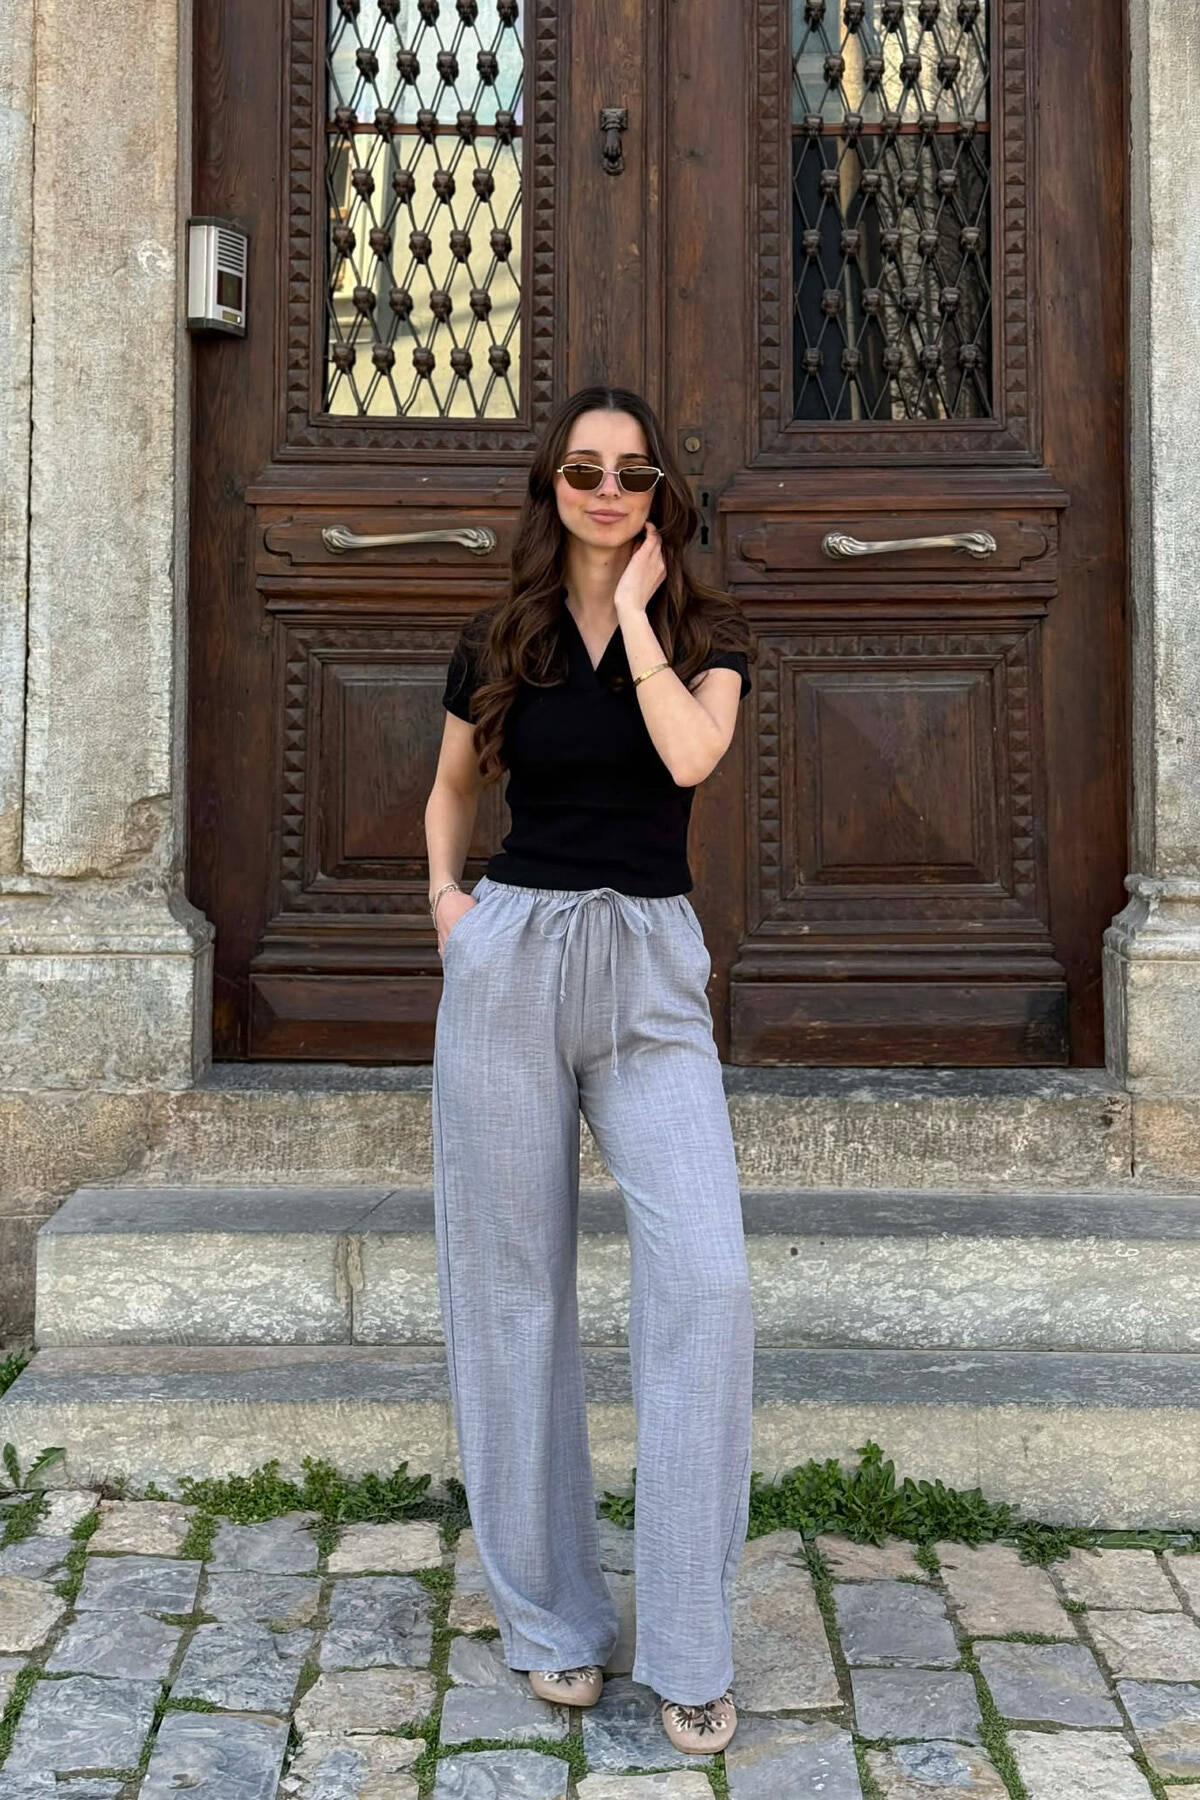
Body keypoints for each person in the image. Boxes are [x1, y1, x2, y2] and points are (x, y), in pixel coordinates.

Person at [423, 383, 756, 1755]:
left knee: (708, 1280)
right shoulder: (498, 638)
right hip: (513, 957)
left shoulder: (707, 638)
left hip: (650, 971)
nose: (606, 492)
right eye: (582, 471)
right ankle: (553, 1620)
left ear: (661, 492)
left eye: (631, 473)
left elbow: (690, 756)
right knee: (512, 1293)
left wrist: (635, 614)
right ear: (549, 487)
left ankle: (688, 1644)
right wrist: (450, 910)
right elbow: (452, 788)